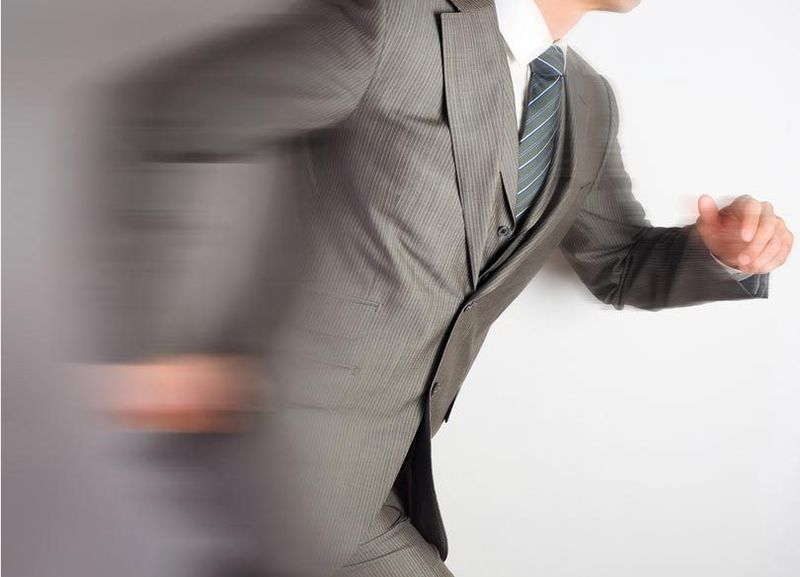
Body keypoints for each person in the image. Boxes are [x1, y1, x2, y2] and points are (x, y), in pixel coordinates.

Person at [99, 0, 793, 575]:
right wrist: (149, 349)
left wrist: (723, 253)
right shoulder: (390, 22)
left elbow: (620, 263)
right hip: (286, 454)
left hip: (388, 472)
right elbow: (163, 118)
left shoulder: (587, 100)